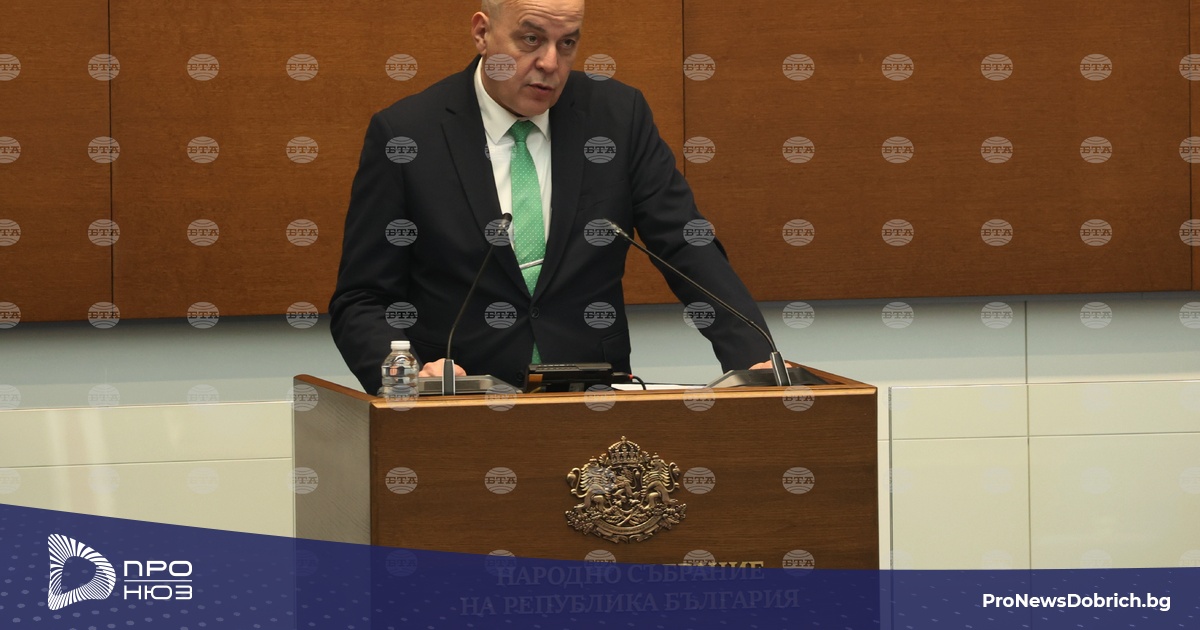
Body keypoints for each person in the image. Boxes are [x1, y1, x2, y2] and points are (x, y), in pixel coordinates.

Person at [330, 0, 776, 394]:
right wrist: (405, 375)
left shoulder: (617, 118)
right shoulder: (407, 135)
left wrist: (755, 360)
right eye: (531, 39)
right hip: (459, 403)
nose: (550, 63)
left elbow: (686, 247)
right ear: (482, 32)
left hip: (593, 400)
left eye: (567, 44)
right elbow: (362, 299)